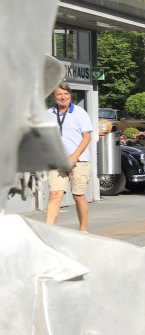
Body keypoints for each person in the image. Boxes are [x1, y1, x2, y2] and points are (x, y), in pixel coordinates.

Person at [43, 84, 94, 231]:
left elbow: (87, 137)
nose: (63, 97)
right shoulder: (48, 114)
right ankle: (48, 230)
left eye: (65, 94)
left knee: (78, 196)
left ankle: (83, 229)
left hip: (78, 161)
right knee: (54, 194)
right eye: (59, 94)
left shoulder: (80, 113)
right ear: (54, 97)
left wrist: (74, 156)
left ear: (70, 95)